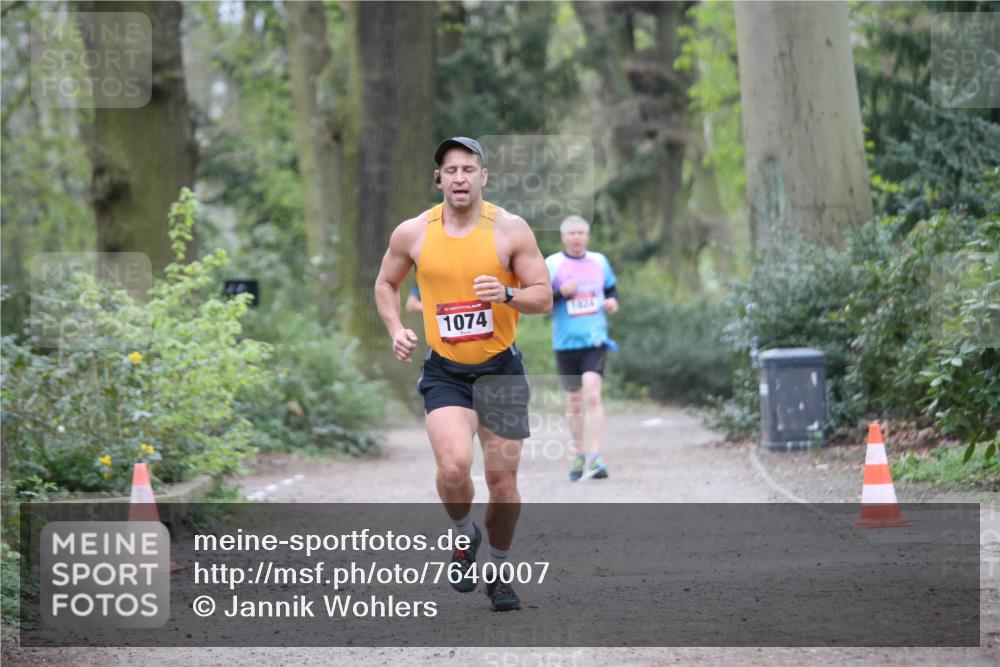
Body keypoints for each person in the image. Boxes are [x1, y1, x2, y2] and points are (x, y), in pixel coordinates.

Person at [374, 137, 552, 611]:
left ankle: (498, 570)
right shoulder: (413, 233)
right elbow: (386, 283)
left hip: (501, 372)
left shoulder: (510, 230)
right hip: (446, 372)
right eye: (450, 170)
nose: (459, 178)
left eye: (468, 169)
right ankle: (462, 534)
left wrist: (508, 295)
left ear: (483, 177)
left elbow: (543, 296)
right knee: (453, 468)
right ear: (438, 179)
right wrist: (395, 328)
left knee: (503, 486)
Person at [545, 215, 619, 481]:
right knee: (574, 402)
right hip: (565, 343)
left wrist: (612, 302)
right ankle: (578, 452)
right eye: (572, 233)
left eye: (581, 233)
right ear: (563, 237)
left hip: (595, 340)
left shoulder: (599, 261)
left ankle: (596, 456)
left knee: (593, 394)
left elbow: (611, 290)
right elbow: (540, 301)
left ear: (587, 236)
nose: (577, 237)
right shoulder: (552, 264)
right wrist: (560, 293)